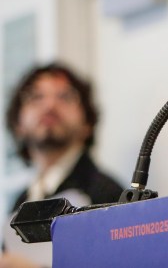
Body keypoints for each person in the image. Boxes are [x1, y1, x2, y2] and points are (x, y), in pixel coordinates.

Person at [1, 63, 123, 267]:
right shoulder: (20, 202)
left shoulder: (106, 195)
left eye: (65, 97)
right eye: (36, 97)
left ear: (87, 123)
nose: (49, 105)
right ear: (18, 124)